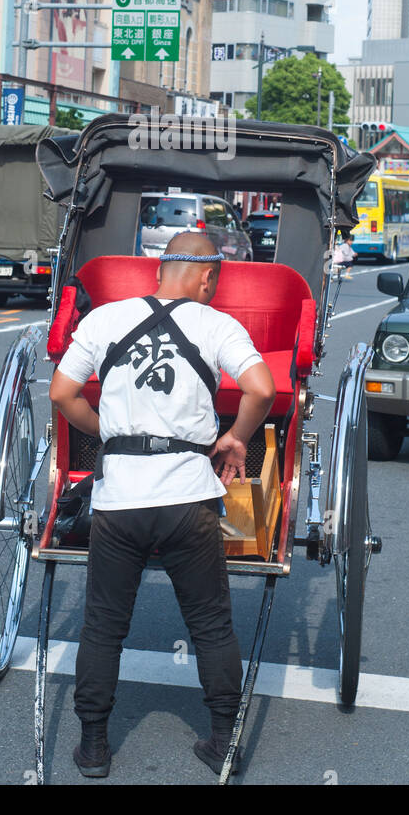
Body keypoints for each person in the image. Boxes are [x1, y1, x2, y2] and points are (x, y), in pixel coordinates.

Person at [48, 231, 276, 780]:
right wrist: (236, 438)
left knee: (103, 624)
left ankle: (95, 746)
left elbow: (60, 393)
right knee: (211, 625)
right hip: (187, 500)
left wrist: (107, 434)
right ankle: (222, 739)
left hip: (119, 500)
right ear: (206, 277)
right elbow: (263, 389)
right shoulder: (217, 324)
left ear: (158, 273)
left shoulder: (104, 319)